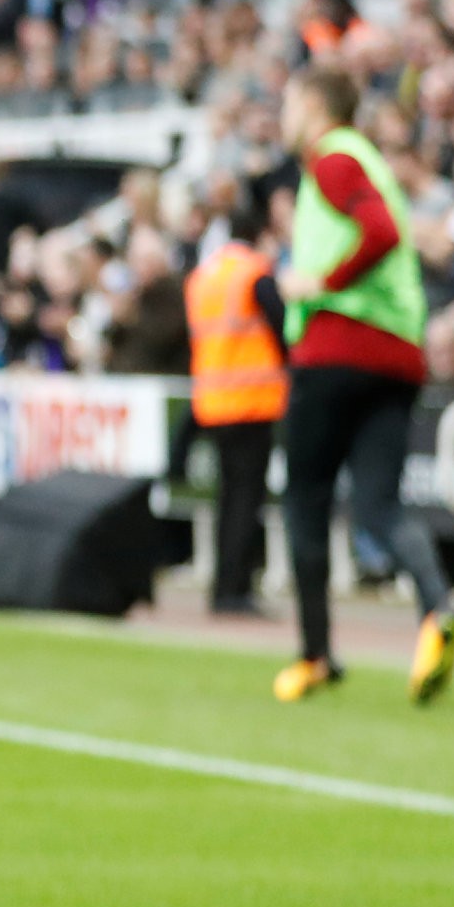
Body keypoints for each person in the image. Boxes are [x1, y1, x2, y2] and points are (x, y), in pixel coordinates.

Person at [272, 67, 454, 704]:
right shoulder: (369, 161)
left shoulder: (333, 159)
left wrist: (319, 281)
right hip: (396, 354)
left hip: (336, 349)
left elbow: (378, 232)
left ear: (312, 103)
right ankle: (437, 609)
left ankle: (315, 655)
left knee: (305, 500)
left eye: (289, 103)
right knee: (380, 507)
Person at [185, 189, 290, 616]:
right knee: (246, 501)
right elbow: (284, 328)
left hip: (212, 400)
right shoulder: (254, 273)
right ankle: (235, 590)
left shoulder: (204, 275)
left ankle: (223, 585)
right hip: (251, 401)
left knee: (227, 499)